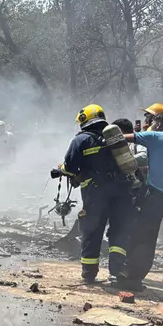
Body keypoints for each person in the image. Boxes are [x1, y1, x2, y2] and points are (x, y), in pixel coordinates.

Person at [56, 104, 133, 282]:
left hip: (96, 194)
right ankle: (117, 269)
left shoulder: (81, 140)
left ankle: (89, 273)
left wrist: (61, 168)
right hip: (122, 192)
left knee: (91, 232)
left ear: (84, 120)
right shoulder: (115, 137)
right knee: (119, 230)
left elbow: (70, 168)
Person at [122, 111, 163, 290]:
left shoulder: (155, 136)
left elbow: (121, 137)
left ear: (158, 124)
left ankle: (134, 278)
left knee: (146, 236)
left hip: (157, 195)